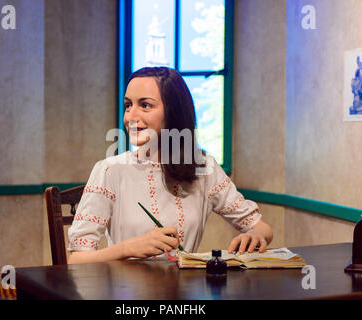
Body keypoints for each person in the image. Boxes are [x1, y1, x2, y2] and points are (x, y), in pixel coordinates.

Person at [68, 67, 273, 264]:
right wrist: (128, 248)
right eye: (128, 105)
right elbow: (76, 260)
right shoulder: (109, 170)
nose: (130, 117)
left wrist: (254, 236)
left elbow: (262, 229)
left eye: (145, 105)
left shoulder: (204, 168)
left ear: (173, 113)